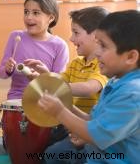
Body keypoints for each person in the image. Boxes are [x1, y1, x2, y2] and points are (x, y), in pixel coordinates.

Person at [38, 10, 140, 163]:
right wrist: (67, 106)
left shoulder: (132, 94)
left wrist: (59, 111)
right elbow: (93, 121)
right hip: (96, 155)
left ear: (131, 57)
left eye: (104, 46)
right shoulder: (116, 81)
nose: (97, 52)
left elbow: (96, 134)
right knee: (53, 154)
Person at [26, 6, 109, 163]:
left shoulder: (103, 65)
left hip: (86, 128)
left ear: (97, 36)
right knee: (38, 145)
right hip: (69, 124)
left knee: (52, 154)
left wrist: (56, 87)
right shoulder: (76, 63)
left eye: (76, 33)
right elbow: (60, 81)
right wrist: (43, 75)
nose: (71, 38)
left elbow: (89, 88)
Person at [0, 0, 69, 100]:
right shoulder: (15, 36)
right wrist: (8, 69)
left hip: (45, 100)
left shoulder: (60, 45)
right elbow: (2, 73)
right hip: (17, 98)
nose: (29, 17)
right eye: (26, 12)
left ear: (50, 18)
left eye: (36, 13)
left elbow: (58, 84)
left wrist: (44, 75)